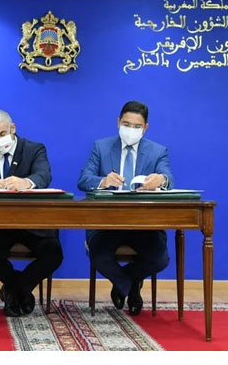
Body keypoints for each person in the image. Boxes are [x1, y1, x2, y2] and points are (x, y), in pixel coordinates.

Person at [77, 101, 173, 316]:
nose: (131, 130)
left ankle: (123, 283)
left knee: (160, 258)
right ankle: (130, 288)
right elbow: (83, 179)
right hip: (107, 223)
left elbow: (168, 177)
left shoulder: (158, 151)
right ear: (118, 122)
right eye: (126, 124)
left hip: (144, 224)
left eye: (137, 126)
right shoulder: (101, 147)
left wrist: (161, 179)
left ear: (145, 128)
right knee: (98, 256)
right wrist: (103, 181)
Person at [0, 110, 63, 317]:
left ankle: (13, 290)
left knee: (53, 254)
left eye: (2, 134)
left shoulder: (34, 149)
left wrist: (26, 182)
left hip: (34, 224)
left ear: (13, 128)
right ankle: (19, 291)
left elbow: (44, 175)